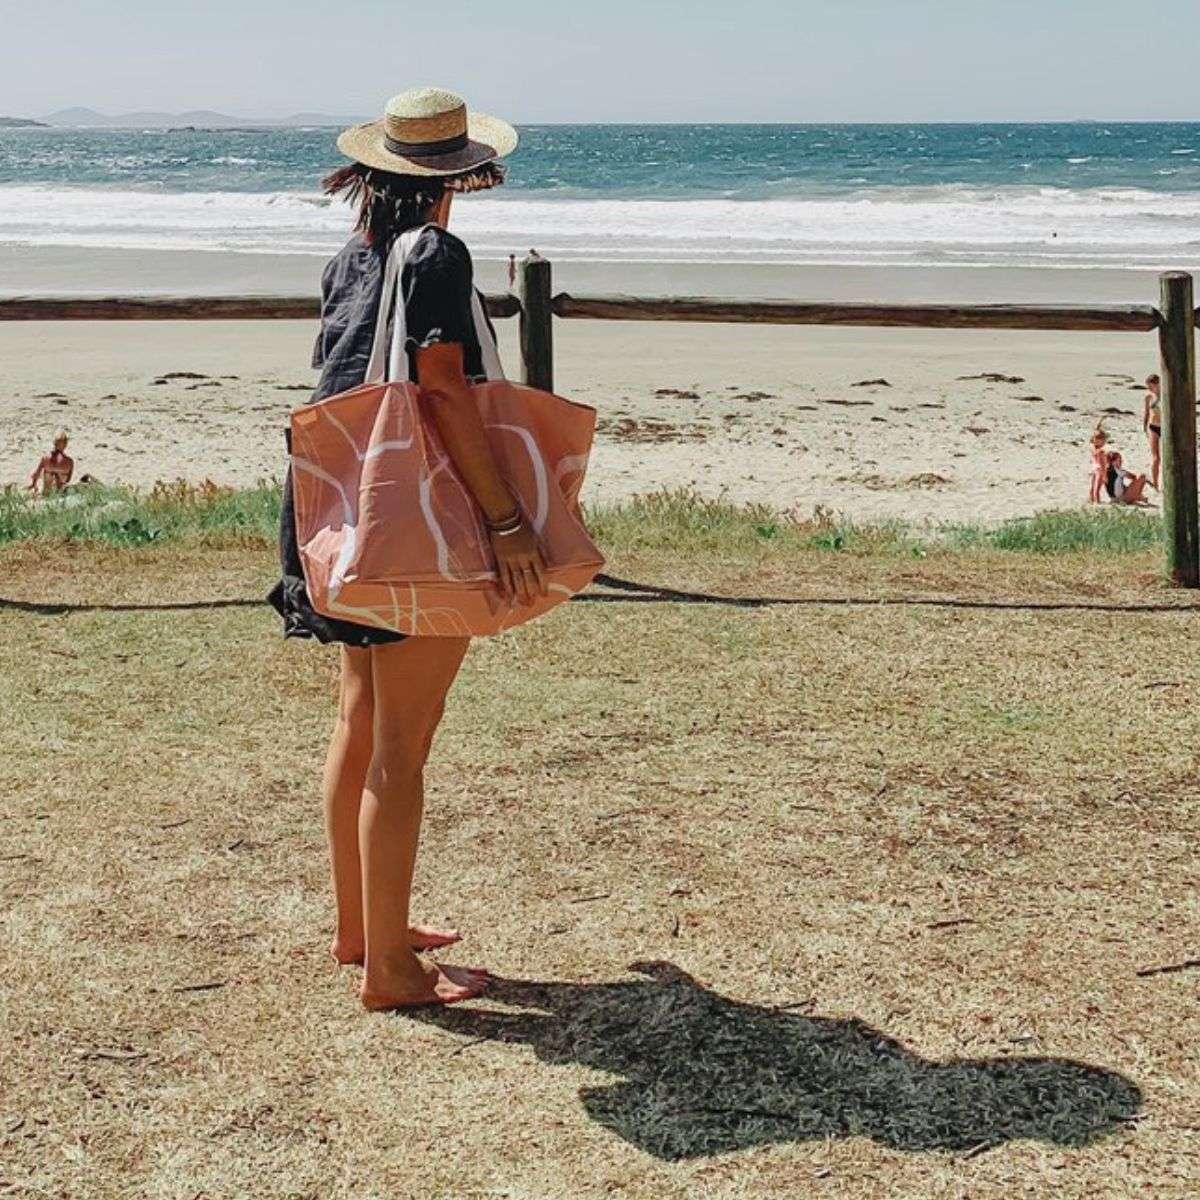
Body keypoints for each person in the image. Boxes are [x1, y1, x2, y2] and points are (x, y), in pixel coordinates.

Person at [268, 87, 538, 1011]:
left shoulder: (356, 256)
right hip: (412, 525)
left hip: (335, 510)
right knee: (403, 749)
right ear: (458, 177)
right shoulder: (437, 255)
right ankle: (389, 970)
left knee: (358, 719)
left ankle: (362, 928)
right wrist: (505, 520)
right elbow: (443, 392)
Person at [28, 429, 73, 496]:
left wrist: (33, 484)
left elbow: (36, 475)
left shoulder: (46, 458)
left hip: (47, 496)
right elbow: (68, 480)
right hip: (61, 497)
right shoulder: (70, 462)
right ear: (66, 445)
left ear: (54, 443)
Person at [1142, 373, 1162, 490]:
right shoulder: (1148, 397)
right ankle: (1155, 484)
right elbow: (1146, 412)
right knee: (1156, 457)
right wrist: (1144, 426)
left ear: (1157, 384)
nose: (1149, 388)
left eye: (1151, 386)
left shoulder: (1165, 395)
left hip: (1164, 427)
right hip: (1153, 426)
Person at [1088, 423, 1108, 505]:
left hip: (1094, 468)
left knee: (1092, 486)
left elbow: (1094, 436)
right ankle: (1097, 501)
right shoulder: (1101, 451)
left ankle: (1091, 499)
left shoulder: (1093, 448)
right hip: (1099, 469)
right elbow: (1102, 464)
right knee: (1097, 487)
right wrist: (1104, 475)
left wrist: (1097, 427)